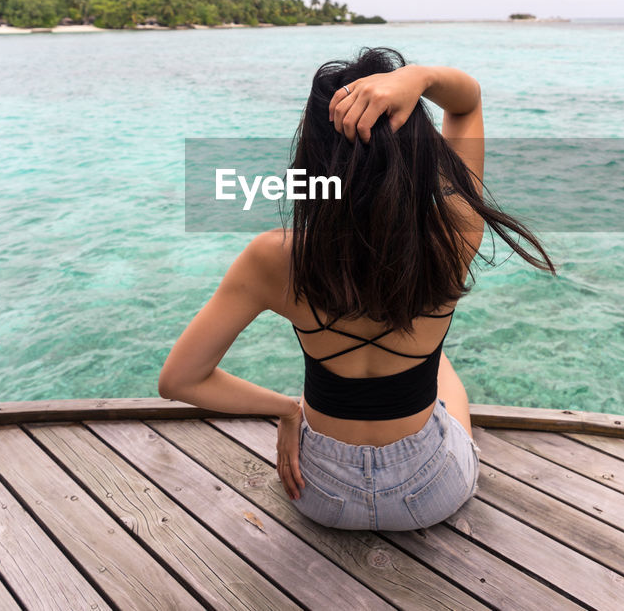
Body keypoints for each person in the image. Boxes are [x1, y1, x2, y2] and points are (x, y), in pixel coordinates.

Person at [158, 48, 555, 530]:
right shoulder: (456, 230)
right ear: (417, 149)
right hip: (429, 494)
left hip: (319, 490)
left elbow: (180, 381)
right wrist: (420, 77)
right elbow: (466, 103)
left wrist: (288, 410)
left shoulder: (274, 258)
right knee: (443, 368)